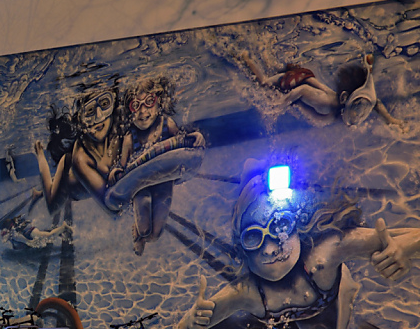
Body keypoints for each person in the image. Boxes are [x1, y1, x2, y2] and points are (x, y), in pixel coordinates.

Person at [177, 159, 419, 329]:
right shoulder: (247, 292)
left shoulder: (323, 255)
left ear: (296, 227)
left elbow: (405, 237)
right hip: (304, 315)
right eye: (254, 237)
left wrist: (402, 248)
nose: (270, 249)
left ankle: (347, 288)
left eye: (279, 227)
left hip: (327, 294)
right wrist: (191, 320)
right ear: (242, 248)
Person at [110, 76, 204, 254]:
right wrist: (116, 172)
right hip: (141, 187)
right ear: (130, 112)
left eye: (149, 102)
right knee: (145, 230)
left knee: (155, 235)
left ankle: (143, 235)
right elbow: (123, 168)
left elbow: (182, 143)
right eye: (135, 106)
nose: (142, 111)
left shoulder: (167, 124)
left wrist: (195, 137)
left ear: (158, 103)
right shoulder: (130, 138)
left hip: (163, 183)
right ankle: (138, 233)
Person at [242, 52, 403, 127]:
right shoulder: (326, 104)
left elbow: (375, 103)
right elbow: (303, 89)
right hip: (294, 83)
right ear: (344, 99)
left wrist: (390, 119)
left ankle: (265, 54)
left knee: (274, 72)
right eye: (357, 111)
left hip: (305, 78)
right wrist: (281, 104)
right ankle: (244, 57)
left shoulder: (363, 102)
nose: (360, 115)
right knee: (264, 83)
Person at [34, 86, 124, 212]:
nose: (99, 116)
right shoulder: (80, 159)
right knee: (51, 204)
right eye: (90, 110)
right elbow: (113, 207)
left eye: (104, 104)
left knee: (57, 182)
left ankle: (38, 193)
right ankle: (39, 154)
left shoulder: (117, 129)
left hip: (76, 178)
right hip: (69, 181)